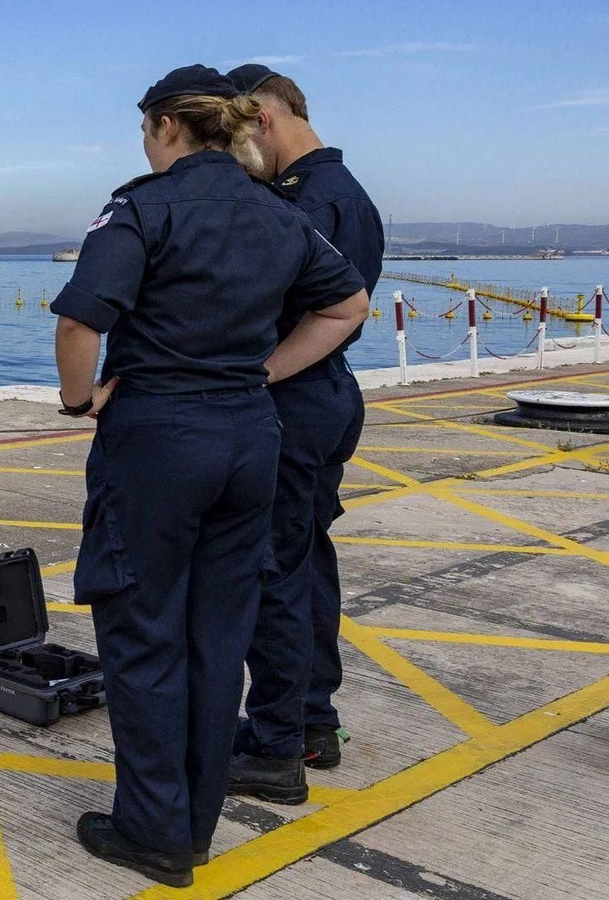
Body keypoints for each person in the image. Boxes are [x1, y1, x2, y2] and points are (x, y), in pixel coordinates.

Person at [51, 64, 368, 887]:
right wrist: (260, 373)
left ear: (165, 127)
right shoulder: (278, 210)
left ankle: (152, 831)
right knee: (219, 630)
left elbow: (84, 316)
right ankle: (193, 824)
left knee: (143, 623)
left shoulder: (141, 206)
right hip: (248, 438)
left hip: (159, 437)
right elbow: (348, 305)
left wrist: (80, 403)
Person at [223, 64, 385, 804]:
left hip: (291, 396)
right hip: (329, 397)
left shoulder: (303, 203)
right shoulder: (351, 195)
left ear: (261, 117)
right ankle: (312, 721)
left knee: (275, 569)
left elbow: (292, 306)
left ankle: (278, 745)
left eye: (231, 134)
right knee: (307, 560)